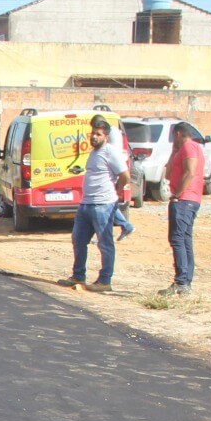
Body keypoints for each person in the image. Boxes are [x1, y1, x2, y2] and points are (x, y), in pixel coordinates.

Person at [58, 114, 129, 293]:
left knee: (105, 244)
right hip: (86, 204)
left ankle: (104, 280)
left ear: (105, 136)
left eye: (98, 134)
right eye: (92, 133)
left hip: (103, 205)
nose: (94, 137)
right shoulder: (94, 152)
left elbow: (124, 175)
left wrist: (116, 192)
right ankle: (78, 276)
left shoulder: (111, 152)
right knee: (78, 239)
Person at [159, 123, 205, 295]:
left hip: (185, 200)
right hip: (188, 200)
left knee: (177, 239)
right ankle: (185, 282)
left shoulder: (189, 147)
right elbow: (169, 173)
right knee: (184, 239)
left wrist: (177, 194)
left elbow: (190, 172)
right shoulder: (186, 148)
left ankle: (181, 281)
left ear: (178, 134)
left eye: (173, 137)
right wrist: (173, 151)